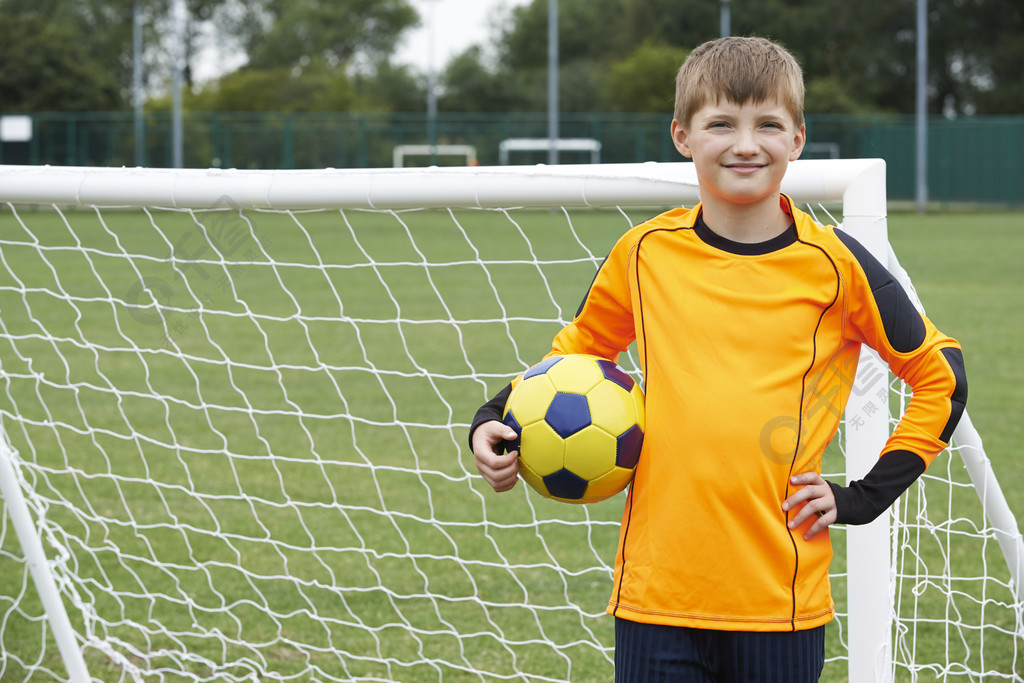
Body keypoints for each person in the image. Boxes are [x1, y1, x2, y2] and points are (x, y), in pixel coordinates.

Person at [468, 36, 967, 682]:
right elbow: (574, 356)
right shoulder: (645, 253)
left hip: (778, 602)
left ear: (797, 139)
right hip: (657, 596)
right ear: (683, 134)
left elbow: (941, 372)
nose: (745, 143)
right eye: (721, 123)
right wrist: (491, 416)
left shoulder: (835, 265)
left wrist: (862, 497)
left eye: (768, 124)